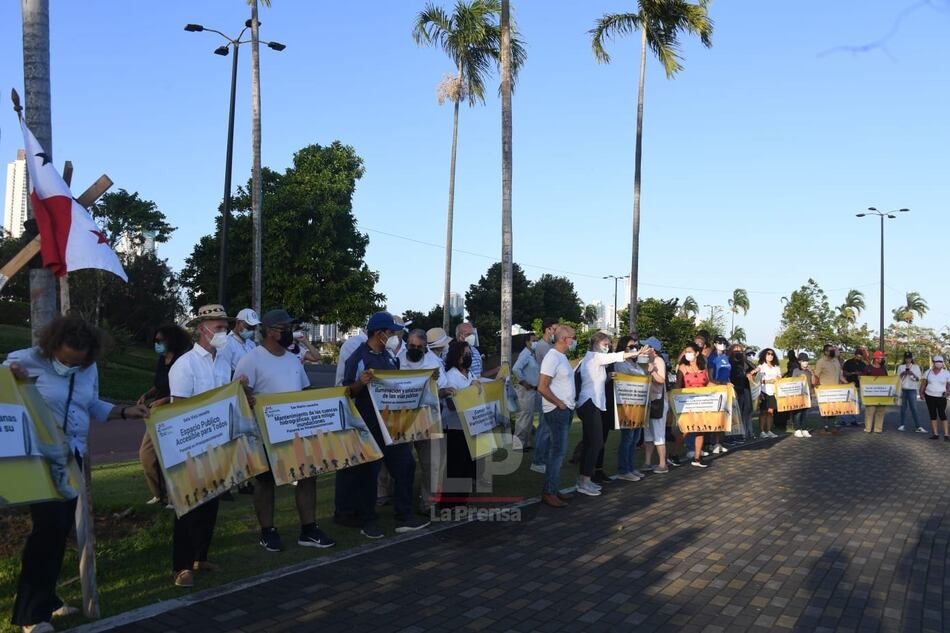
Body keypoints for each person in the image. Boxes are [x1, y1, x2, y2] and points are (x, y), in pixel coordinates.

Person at [6, 317, 150, 631]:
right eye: (66, 360)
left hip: (70, 457)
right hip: (38, 458)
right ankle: (32, 616)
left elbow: (91, 404)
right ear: (52, 345)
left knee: (57, 533)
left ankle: (46, 599)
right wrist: (9, 376)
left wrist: (125, 411)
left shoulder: (87, 368)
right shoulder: (24, 360)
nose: (71, 367)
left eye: (78, 362)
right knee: (48, 530)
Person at [234, 309, 336, 552]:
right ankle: (267, 531)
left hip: (296, 432)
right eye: (284, 328)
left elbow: (302, 392)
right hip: (265, 434)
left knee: (307, 476)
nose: (290, 332)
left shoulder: (293, 360)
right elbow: (238, 394)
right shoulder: (251, 359)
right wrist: (247, 395)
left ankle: (309, 529)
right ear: (270, 332)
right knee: (266, 482)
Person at [336, 312, 429, 537]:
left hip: (392, 424)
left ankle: (404, 517)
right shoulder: (358, 358)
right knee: (370, 474)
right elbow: (346, 391)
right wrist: (360, 383)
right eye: (390, 331)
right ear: (379, 333)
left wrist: (426, 381)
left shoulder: (390, 357)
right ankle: (368, 520)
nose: (395, 335)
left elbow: (397, 385)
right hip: (369, 425)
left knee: (405, 466)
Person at [166, 304, 238, 587]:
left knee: (211, 502)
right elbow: (179, 407)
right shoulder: (186, 364)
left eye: (225, 326)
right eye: (219, 327)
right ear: (203, 329)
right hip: (191, 443)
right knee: (189, 506)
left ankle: (200, 556)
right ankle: (181, 566)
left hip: (218, 442)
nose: (224, 332)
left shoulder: (223, 362)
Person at [575, 332, 639, 496]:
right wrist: (637, 352)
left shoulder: (593, 360)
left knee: (591, 443)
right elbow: (618, 356)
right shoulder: (595, 357)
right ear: (596, 343)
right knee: (596, 443)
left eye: (609, 344)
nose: (608, 346)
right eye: (605, 343)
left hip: (594, 403)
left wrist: (609, 376)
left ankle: (583, 480)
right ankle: (585, 480)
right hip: (589, 403)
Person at [137, 324, 191, 505]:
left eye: (160, 341)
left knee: (172, 457)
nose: (157, 344)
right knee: (147, 455)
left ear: (171, 340)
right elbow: (160, 384)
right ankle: (160, 493)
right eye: (155, 341)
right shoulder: (162, 361)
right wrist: (147, 394)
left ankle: (174, 495)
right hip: (156, 412)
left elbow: (183, 392)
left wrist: (165, 400)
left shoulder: (182, 361)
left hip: (173, 413)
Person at [397, 329, 447, 513]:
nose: (415, 348)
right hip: (403, 420)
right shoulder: (398, 360)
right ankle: (402, 503)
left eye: (419, 346)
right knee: (402, 464)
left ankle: (429, 504)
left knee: (433, 463)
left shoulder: (434, 362)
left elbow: (442, 387)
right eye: (412, 345)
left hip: (429, 418)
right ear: (407, 345)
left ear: (425, 347)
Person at [537, 325, 577, 507]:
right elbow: (542, 386)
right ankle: (549, 491)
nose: (574, 341)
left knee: (559, 451)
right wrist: (559, 403)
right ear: (563, 339)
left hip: (565, 409)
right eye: (572, 337)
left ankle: (553, 488)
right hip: (557, 410)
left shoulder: (561, 357)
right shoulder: (552, 357)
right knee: (557, 452)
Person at [439, 340, 478, 506]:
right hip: (455, 427)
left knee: (467, 465)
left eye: (469, 353)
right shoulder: (450, 376)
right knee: (455, 465)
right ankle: (449, 502)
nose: (468, 357)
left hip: (471, 425)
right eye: (465, 354)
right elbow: (451, 404)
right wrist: (470, 389)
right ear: (457, 356)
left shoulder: (471, 374)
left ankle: (462, 499)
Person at [614, 335, 646, 481]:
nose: (634, 349)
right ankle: (623, 469)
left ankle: (631, 467)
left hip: (639, 405)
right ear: (623, 348)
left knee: (635, 438)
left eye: (635, 346)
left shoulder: (636, 364)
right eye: (631, 347)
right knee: (627, 438)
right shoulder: (620, 363)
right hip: (627, 405)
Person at [529, 319, 558, 474]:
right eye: (555, 329)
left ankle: (543, 458)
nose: (556, 333)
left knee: (549, 428)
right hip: (545, 390)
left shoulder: (550, 346)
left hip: (550, 390)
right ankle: (538, 460)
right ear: (548, 330)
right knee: (545, 427)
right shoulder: (542, 346)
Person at [637, 337, 669, 475]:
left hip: (658, 401)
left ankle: (663, 463)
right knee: (648, 435)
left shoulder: (658, 361)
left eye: (646, 347)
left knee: (659, 433)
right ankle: (647, 462)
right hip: (648, 402)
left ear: (653, 349)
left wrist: (652, 371)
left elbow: (661, 380)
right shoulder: (645, 361)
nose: (643, 349)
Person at [675, 344, 710, 467]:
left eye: (690, 351)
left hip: (702, 403)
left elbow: (708, 383)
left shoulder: (703, 367)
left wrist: (723, 386)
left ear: (697, 353)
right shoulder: (683, 367)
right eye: (686, 351)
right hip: (688, 402)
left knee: (701, 430)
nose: (687, 354)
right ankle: (674, 454)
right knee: (685, 430)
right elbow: (678, 385)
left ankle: (697, 457)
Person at [511, 332, 540, 450]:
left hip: (532, 389)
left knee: (528, 417)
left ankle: (525, 442)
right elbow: (516, 368)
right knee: (524, 416)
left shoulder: (532, 354)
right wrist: (523, 381)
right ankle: (518, 444)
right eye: (533, 340)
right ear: (527, 342)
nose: (535, 343)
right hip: (525, 390)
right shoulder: (525, 354)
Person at [705, 336, 732, 455]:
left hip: (726, 389)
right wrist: (720, 383)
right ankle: (712, 443)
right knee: (716, 417)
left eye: (724, 343)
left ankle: (719, 442)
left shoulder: (726, 357)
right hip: (716, 389)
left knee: (724, 416)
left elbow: (727, 373)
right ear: (715, 344)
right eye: (720, 343)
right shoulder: (712, 358)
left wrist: (729, 383)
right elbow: (710, 377)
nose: (722, 345)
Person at [813, 344, 844, 433]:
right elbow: (816, 376)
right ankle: (823, 427)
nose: (833, 352)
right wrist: (815, 387)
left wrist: (848, 383)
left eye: (833, 350)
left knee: (834, 410)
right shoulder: (820, 362)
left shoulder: (836, 361)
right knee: (824, 410)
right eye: (831, 350)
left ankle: (831, 426)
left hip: (835, 390)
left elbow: (840, 375)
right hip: (824, 391)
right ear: (826, 352)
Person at [728, 343, 755, 442]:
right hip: (735, 388)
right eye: (735, 350)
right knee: (736, 412)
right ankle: (735, 434)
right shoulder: (728, 361)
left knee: (746, 409)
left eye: (740, 350)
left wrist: (750, 373)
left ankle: (746, 432)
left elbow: (754, 369)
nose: (738, 352)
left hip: (745, 388)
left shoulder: (744, 361)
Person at [221, 308, 260, 374]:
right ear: (238, 322)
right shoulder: (226, 343)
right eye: (248, 327)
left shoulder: (251, 344)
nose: (251, 330)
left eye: (253, 328)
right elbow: (223, 371)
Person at [753, 348, 782, 438]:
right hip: (763, 391)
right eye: (768, 354)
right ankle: (762, 431)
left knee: (770, 412)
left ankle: (769, 430)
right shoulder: (761, 366)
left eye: (772, 354)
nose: (770, 356)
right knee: (763, 412)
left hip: (773, 392)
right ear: (764, 356)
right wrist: (767, 381)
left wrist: (777, 379)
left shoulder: (776, 367)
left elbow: (780, 378)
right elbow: (756, 379)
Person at [920, 355, 950, 440]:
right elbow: (924, 384)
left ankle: (946, 435)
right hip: (929, 396)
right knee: (932, 414)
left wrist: (947, 392)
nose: (939, 363)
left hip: (941, 397)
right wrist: (921, 393)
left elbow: (949, 385)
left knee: (942, 415)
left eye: (941, 362)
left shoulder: (946, 373)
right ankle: (935, 434)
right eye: (937, 362)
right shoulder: (928, 372)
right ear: (933, 362)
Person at [862, 350, 890, 434]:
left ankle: (878, 429)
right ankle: (868, 428)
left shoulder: (883, 369)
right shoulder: (868, 368)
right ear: (876, 359)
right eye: (881, 358)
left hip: (882, 395)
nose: (882, 359)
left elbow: (887, 380)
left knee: (880, 412)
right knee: (869, 412)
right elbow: (863, 379)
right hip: (870, 395)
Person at [897, 351, 925, 433]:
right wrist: (903, 373)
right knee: (903, 409)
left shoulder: (916, 367)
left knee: (914, 409)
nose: (907, 359)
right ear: (904, 358)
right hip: (903, 389)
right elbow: (897, 378)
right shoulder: (901, 367)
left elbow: (918, 379)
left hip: (912, 390)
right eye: (906, 358)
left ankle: (918, 426)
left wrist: (912, 373)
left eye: (909, 358)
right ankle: (902, 425)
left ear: (911, 358)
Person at [790, 352, 816, 437]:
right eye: (804, 361)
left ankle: (804, 429)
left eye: (807, 361)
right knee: (798, 413)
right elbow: (793, 382)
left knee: (805, 413)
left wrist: (812, 373)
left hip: (807, 394)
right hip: (798, 394)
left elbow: (814, 382)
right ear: (800, 361)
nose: (806, 363)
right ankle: (797, 429)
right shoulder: (796, 370)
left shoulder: (809, 371)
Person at [842, 347, 868, 427]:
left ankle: (855, 420)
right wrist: (853, 373)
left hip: (859, 386)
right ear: (855, 355)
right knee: (847, 403)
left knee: (857, 404)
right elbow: (844, 373)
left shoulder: (863, 364)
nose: (859, 358)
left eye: (861, 357)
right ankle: (846, 420)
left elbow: (866, 374)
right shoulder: (848, 362)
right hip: (849, 385)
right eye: (858, 356)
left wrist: (861, 375)